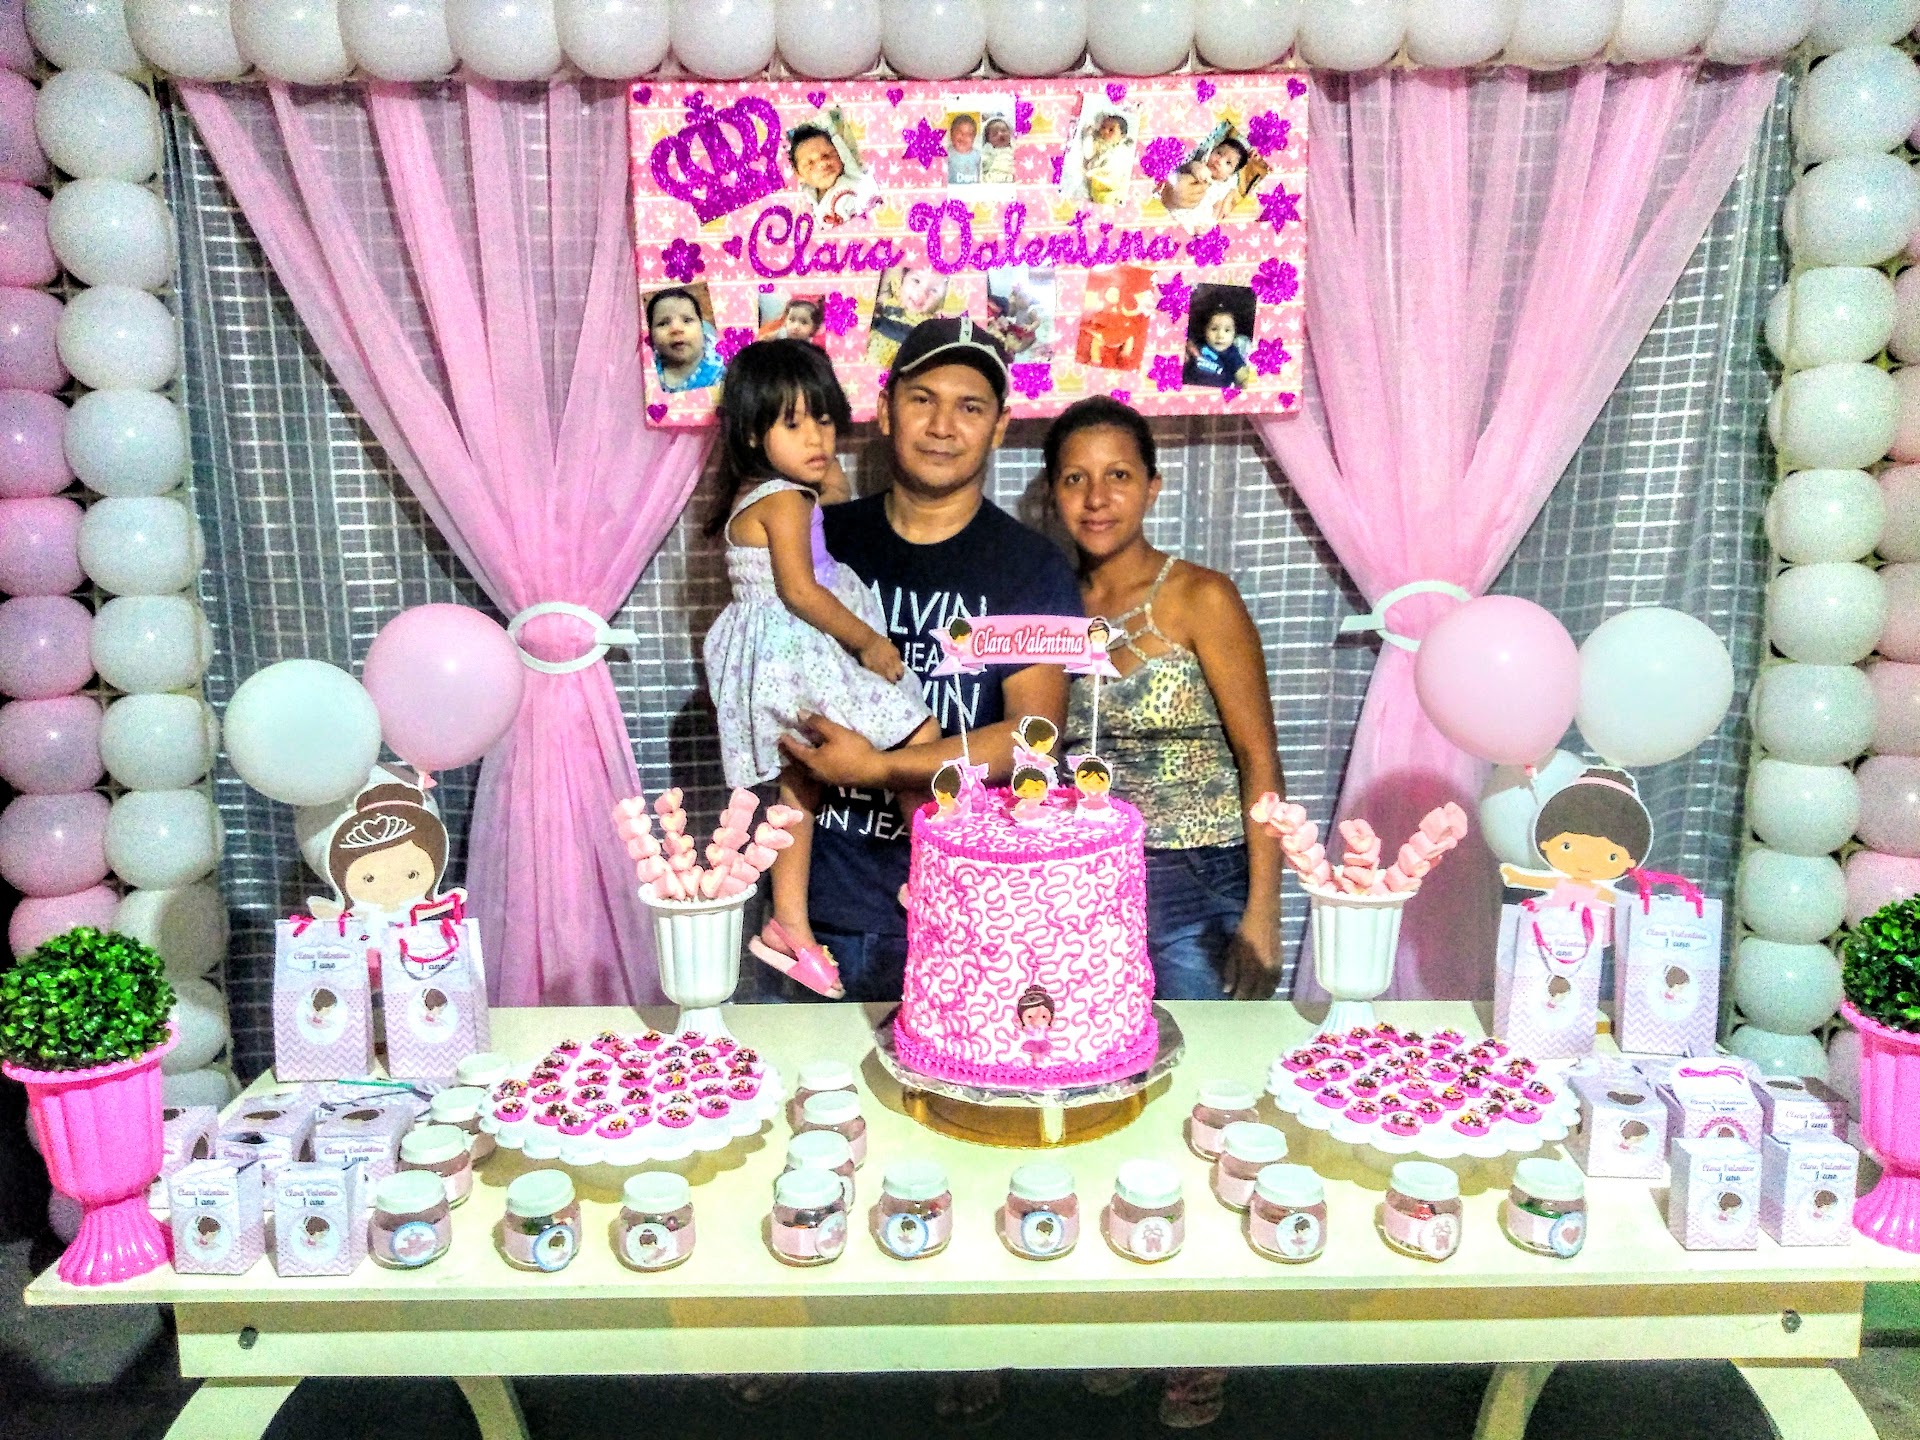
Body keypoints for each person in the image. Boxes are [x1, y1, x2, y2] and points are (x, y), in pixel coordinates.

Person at [1048, 396, 1285, 1430]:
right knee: (1107, 1109)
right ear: (1053, 494)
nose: (1096, 497)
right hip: (1084, 886)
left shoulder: (1201, 596)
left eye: (1117, 475)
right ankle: (1121, 1316)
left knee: (1202, 1112)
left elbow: (1261, 761)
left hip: (1201, 877)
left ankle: (1198, 1337)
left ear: (1151, 485)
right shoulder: (1045, 607)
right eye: (1074, 477)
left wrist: (1266, 907)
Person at [780, 316, 1082, 1003]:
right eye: (923, 399)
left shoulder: (1030, 568)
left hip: (963, 909)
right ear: (886, 410)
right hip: (821, 907)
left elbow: (1032, 739)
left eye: (970, 407)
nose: (943, 425)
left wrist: (880, 768)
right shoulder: (822, 541)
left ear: (999, 427)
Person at [703, 338, 938, 999]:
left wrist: (821, 478)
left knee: (799, 789)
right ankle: (937, 873)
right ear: (754, 432)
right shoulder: (785, 500)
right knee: (916, 733)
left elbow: (821, 516)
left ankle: (789, 924)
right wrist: (868, 642)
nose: (817, 438)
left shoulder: (762, 495)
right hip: (804, 654)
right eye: (793, 423)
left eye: (825, 420)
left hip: (776, 663)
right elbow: (803, 591)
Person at [788, 122, 877, 226]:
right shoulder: (805, 198)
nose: (822, 163)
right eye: (810, 163)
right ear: (798, 174)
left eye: (827, 155)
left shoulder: (854, 177)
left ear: (839, 153)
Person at [647, 287, 724, 393]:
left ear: (701, 327)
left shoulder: (722, 366)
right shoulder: (647, 369)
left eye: (687, 320)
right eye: (663, 323)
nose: (676, 329)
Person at [1183, 305, 1254, 389]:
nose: (1220, 336)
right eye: (1214, 329)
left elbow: (1241, 375)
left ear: (1234, 334)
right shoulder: (1198, 344)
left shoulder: (1232, 353)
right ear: (1205, 331)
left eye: (1227, 330)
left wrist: (1245, 382)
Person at [946, 113, 981, 185]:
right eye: (960, 132)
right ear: (951, 134)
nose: (964, 137)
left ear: (974, 138)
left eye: (969, 134)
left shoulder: (977, 155)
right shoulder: (947, 153)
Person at [980, 115, 1016, 184]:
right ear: (988, 140)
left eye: (1004, 131)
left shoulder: (1014, 148)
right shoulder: (988, 150)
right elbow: (982, 164)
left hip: (1010, 177)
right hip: (993, 178)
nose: (1000, 134)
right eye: (994, 134)